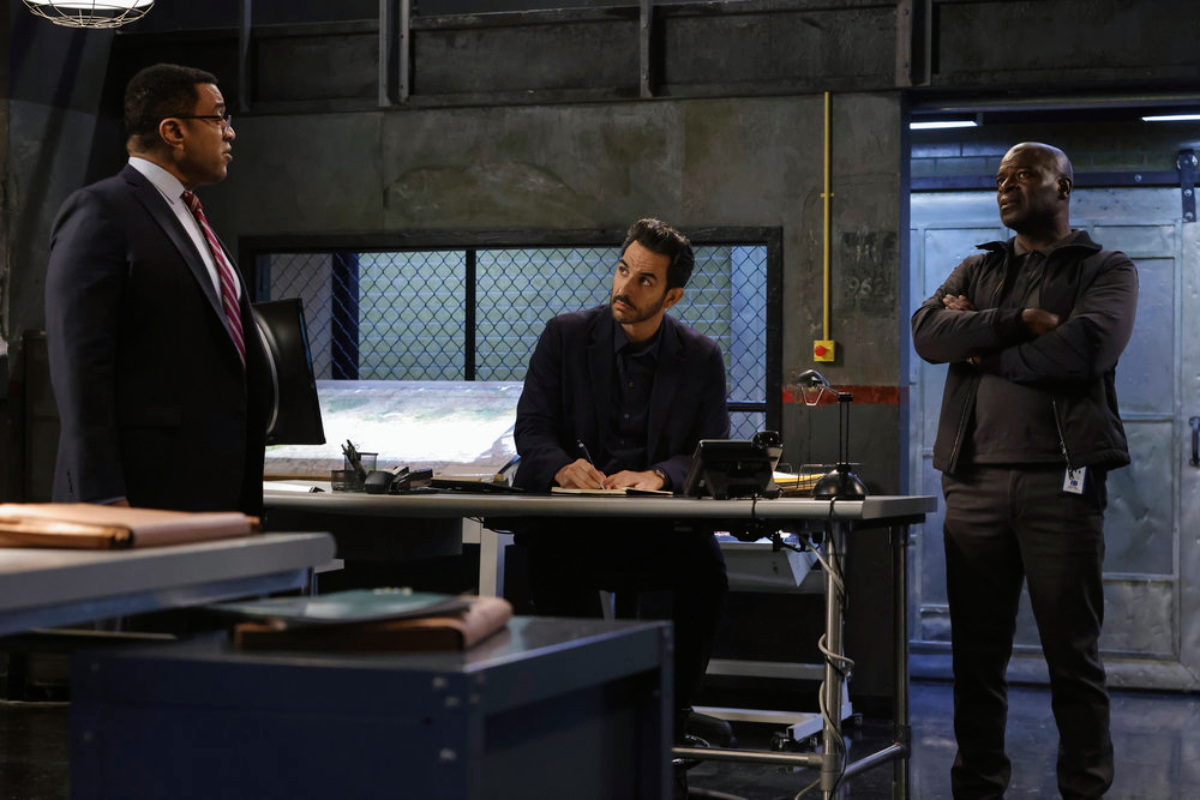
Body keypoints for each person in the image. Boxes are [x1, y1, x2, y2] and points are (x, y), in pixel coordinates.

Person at [912, 142, 1138, 799]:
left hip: (1061, 488)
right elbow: (928, 333)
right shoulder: (978, 267)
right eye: (1000, 177)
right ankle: (977, 786)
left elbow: (1084, 350)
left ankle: (1085, 787)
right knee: (976, 658)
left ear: (1062, 187)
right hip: (973, 483)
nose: (1006, 186)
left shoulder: (1105, 268)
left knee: (1073, 656)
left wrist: (982, 349)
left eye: (1023, 175)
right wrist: (1020, 322)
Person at [513, 218, 731, 737]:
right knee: (547, 556)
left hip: (657, 529)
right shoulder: (565, 336)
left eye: (645, 280)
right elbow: (532, 428)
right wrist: (561, 465)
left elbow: (710, 450)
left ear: (672, 296)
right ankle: (583, 716)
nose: (625, 287)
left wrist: (659, 475)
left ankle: (670, 717)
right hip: (576, 524)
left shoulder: (701, 357)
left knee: (706, 570)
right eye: (623, 270)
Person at [45, 63, 267, 516]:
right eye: (218, 117)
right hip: (142, 493)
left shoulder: (191, 215)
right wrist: (101, 496)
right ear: (173, 131)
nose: (230, 133)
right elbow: (80, 367)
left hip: (213, 492)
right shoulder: (100, 210)